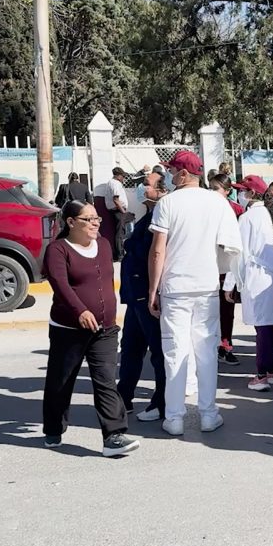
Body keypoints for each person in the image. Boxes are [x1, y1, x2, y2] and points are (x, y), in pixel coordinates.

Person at [148, 150, 243, 436]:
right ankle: (208, 414)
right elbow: (231, 245)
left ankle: (175, 417)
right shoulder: (217, 202)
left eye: (171, 171)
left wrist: (153, 289)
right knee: (206, 351)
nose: (168, 175)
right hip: (206, 285)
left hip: (175, 287)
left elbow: (158, 250)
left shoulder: (167, 203)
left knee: (175, 351)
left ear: (183, 174)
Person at [41, 200, 141, 458]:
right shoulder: (58, 250)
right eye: (89, 219)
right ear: (71, 222)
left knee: (106, 381)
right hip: (68, 329)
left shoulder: (104, 245)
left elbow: (105, 282)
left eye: (97, 218)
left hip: (105, 329)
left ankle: (113, 435)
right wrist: (80, 311)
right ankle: (54, 428)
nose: (96, 223)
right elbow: (60, 285)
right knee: (61, 381)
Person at [224, 175, 273, 392]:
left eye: (242, 190)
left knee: (262, 328)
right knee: (272, 327)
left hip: (257, 276)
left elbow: (238, 253)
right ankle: (272, 371)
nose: (239, 194)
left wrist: (230, 284)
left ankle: (261, 375)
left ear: (251, 193)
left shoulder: (248, 217)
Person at [117, 172, 167, 422]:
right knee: (130, 348)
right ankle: (123, 397)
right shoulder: (147, 215)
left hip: (147, 293)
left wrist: (152, 292)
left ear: (162, 190)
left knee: (157, 351)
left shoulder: (160, 219)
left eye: (147, 184)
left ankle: (161, 402)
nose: (141, 187)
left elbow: (153, 254)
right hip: (134, 294)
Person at [209, 172, 245, 366]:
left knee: (226, 310)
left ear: (227, 190)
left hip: (226, 267)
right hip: (207, 266)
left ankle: (225, 345)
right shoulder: (205, 207)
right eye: (210, 188)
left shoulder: (235, 209)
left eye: (217, 189)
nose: (213, 192)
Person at [106, 167, 133, 261]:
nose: (123, 178)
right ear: (118, 176)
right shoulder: (115, 183)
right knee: (120, 233)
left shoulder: (112, 183)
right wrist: (123, 211)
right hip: (118, 210)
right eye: (123, 176)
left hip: (117, 210)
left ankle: (120, 253)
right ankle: (120, 255)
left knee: (120, 232)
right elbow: (116, 199)